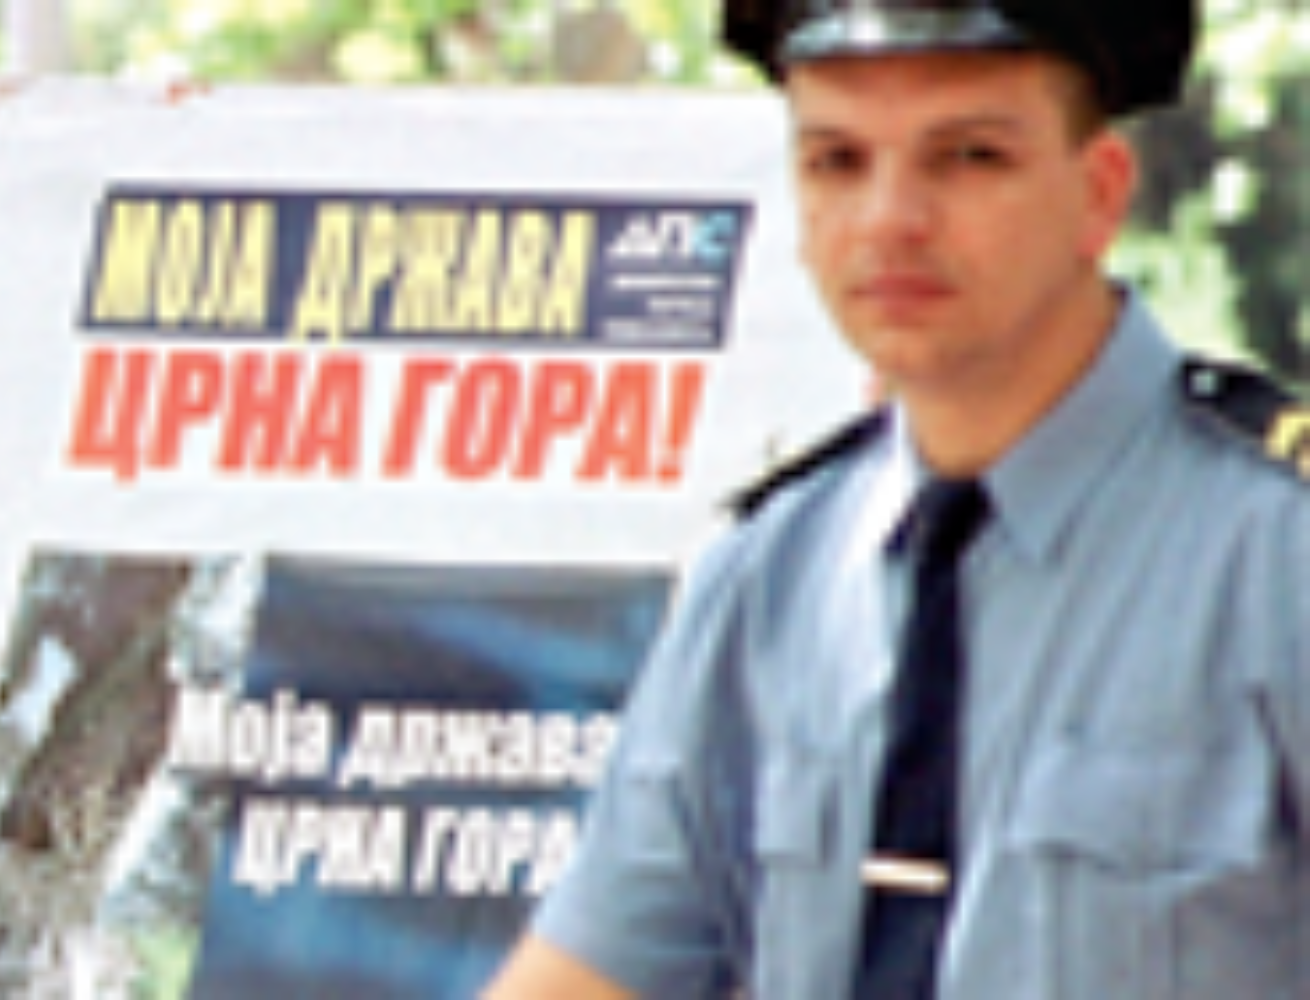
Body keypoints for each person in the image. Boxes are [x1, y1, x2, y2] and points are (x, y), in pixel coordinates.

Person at [485, 0, 1310, 997]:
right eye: (836, 161)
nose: (888, 218)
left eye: (967, 157)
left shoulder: (1277, 552)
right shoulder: (769, 578)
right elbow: (592, 971)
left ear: (1100, 194)